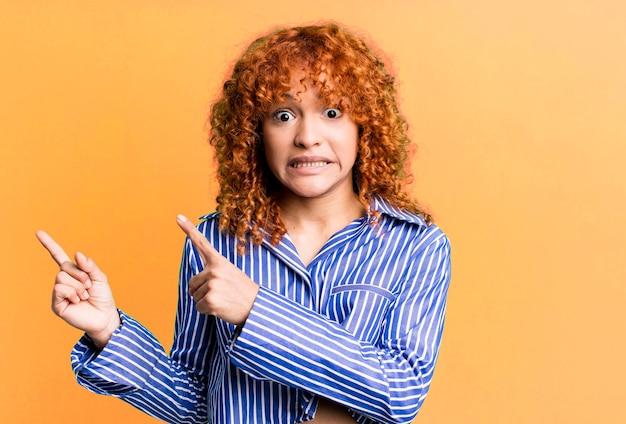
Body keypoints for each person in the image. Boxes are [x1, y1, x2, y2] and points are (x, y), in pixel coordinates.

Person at [36, 23, 451, 424]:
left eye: (331, 111)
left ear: (365, 127)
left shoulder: (416, 246)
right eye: (284, 115)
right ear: (255, 132)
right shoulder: (215, 240)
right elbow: (196, 402)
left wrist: (256, 309)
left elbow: (399, 395)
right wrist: (109, 330)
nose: (308, 136)